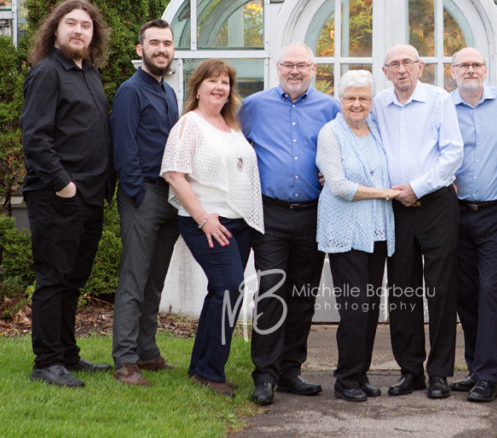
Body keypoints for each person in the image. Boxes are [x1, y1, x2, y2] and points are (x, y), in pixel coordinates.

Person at [239, 43, 340, 405]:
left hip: (314, 212)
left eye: (302, 65)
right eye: (288, 65)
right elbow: (236, 148)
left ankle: (290, 370)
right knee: (271, 291)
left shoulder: (330, 107)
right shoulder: (254, 106)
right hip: (270, 213)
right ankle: (264, 375)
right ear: (277, 67)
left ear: (313, 69)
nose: (295, 71)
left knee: (302, 294)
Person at [21, 0, 114, 387]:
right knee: (53, 279)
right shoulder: (47, 73)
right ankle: (46, 362)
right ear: (55, 30)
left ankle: (67, 355)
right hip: (57, 196)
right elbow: (36, 138)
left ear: (94, 35)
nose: (79, 30)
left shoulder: (89, 73)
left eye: (86, 25)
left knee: (73, 280)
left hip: (90, 198)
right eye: (70, 23)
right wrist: (64, 185)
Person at [161, 59, 263, 396]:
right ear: (198, 87)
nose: (219, 87)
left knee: (221, 291)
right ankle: (209, 372)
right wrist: (204, 217)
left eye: (225, 82)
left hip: (238, 221)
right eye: (212, 81)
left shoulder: (230, 124)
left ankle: (201, 367)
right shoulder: (189, 124)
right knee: (230, 289)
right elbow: (174, 173)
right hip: (205, 220)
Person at [373, 44, 463, 400]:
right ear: (385, 71)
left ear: (420, 66)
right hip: (395, 206)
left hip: (436, 203)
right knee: (401, 290)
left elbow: (452, 152)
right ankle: (410, 370)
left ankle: (439, 372)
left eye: (407, 62)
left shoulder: (439, 100)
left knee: (440, 290)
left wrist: (417, 186)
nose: (401, 69)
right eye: (393, 64)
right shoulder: (378, 103)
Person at [315, 70, 397, 403]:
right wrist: (386, 193)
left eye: (363, 98)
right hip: (345, 232)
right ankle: (345, 378)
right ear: (340, 99)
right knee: (354, 307)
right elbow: (339, 186)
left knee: (370, 306)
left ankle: (360, 374)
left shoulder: (376, 130)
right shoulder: (330, 133)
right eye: (350, 98)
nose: (357, 104)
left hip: (377, 231)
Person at [447, 47, 497, 403]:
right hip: (455, 214)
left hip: (496, 212)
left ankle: (489, 376)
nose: (471, 69)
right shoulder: (443, 107)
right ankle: (475, 368)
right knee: (465, 293)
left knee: (489, 289)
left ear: (485, 69)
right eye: (464, 65)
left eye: (477, 64)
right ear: (453, 72)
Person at [110, 19, 180, 386]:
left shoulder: (168, 93)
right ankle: (124, 360)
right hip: (143, 196)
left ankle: (147, 352)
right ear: (140, 50)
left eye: (167, 43)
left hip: (170, 197)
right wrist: (138, 195)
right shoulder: (129, 91)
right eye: (154, 43)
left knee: (155, 279)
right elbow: (124, 148)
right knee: (134, 279)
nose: (161, 49)